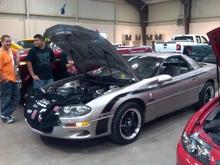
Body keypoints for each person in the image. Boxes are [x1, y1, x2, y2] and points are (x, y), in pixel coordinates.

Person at [0, 35, 20, 124]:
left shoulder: (9, 50)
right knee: (6, 99)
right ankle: (5, 115)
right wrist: (4, 79)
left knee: (16, 97)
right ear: (1, 42)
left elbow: (17, 51)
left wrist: (18, 57)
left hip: (13, 79)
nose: (8, 43)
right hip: (6, 81)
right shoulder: (1, 53)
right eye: (6, 41)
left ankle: (5, 113)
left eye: (9, 41)